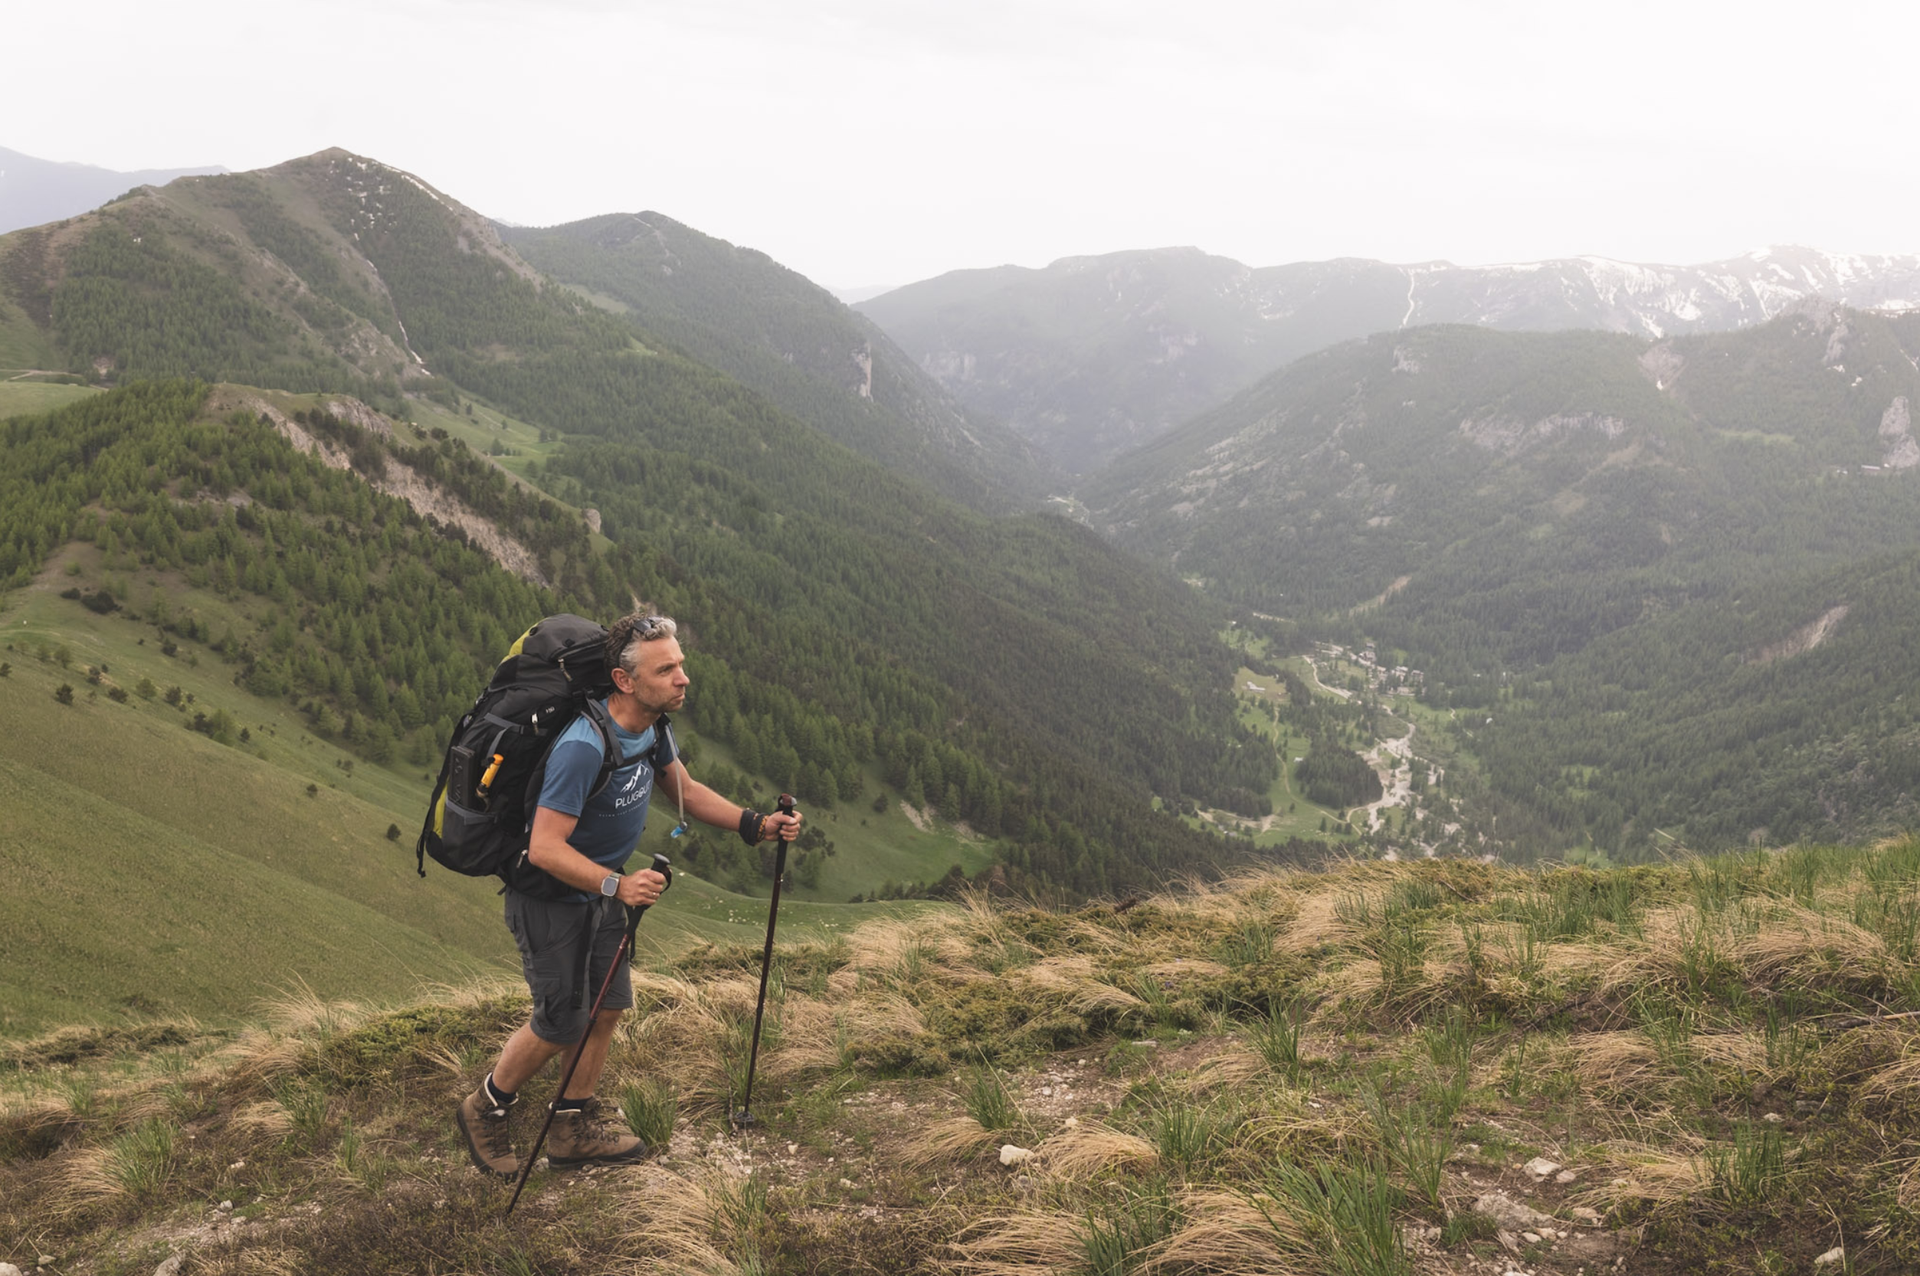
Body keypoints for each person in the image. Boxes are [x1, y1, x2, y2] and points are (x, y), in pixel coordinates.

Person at [456, 610, 801, 1177]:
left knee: (607, 1008)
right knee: (559, 1020)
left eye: (681, 665)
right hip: (551, 898)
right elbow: (544, 847)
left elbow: (682, 788)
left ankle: (571, 1123)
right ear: (624, 681)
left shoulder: (652, 727)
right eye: (667, 670)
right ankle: (486, 1106)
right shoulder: (582, 747)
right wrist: (618, 883)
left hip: (606, 895)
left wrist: (755, 824)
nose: (683, 678)